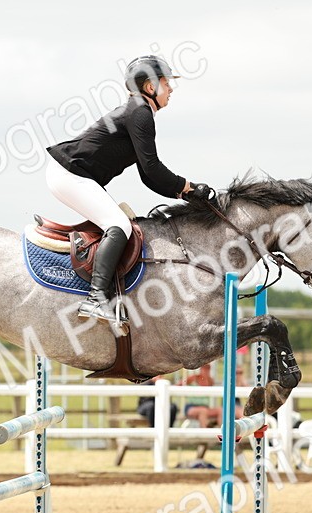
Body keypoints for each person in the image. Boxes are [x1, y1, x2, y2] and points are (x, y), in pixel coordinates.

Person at [45, 55, 215, 323]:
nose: (171, 88)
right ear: (150, 87)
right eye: (166, 83)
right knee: (120, 225)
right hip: (69, 174)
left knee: (118, 223)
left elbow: (148, 177)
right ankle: (96, 299)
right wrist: (188, 187)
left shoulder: (138, 112)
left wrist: (185, 194)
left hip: (71, 174)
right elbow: (153, 168)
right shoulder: (140, 113)